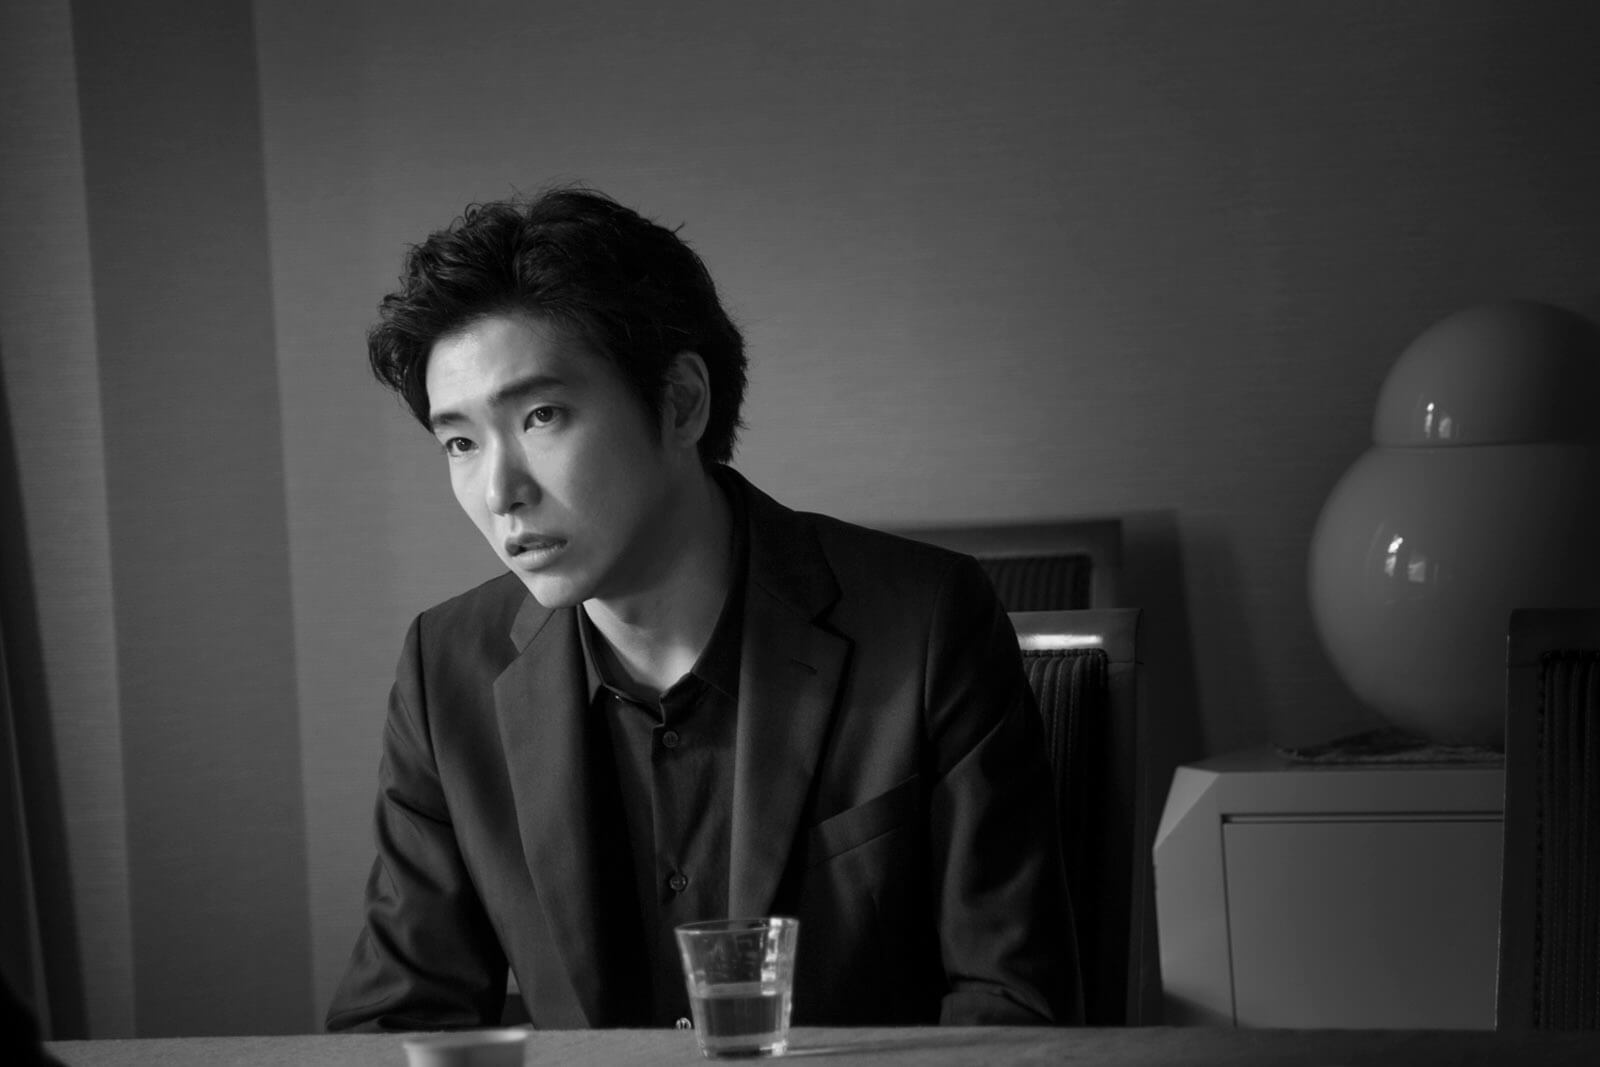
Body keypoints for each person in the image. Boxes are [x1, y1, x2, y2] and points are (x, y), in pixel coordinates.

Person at [326, 187, 1082, 1031]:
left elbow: (1010, 1005)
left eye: (541, 416)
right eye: (461, 441)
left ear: (682, 401)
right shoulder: (447, 668)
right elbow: (398, 1021)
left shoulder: (927, 623)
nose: (500, 490)